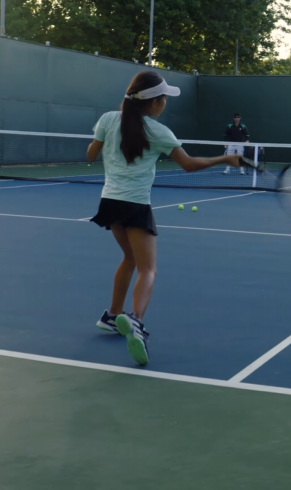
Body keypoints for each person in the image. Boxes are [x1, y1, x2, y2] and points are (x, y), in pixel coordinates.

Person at [86, 71, 244, 366]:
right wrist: (225, 158)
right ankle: (135, 321)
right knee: (149, 270)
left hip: (110, 202)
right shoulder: (159, 132)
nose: (165, 103)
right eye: (165, 98)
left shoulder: (108, 120)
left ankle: (111, 315)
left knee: (129, 259)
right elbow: (188, 165)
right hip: (135, 205)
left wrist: (105, 141)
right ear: (155, 103)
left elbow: (91, 154)